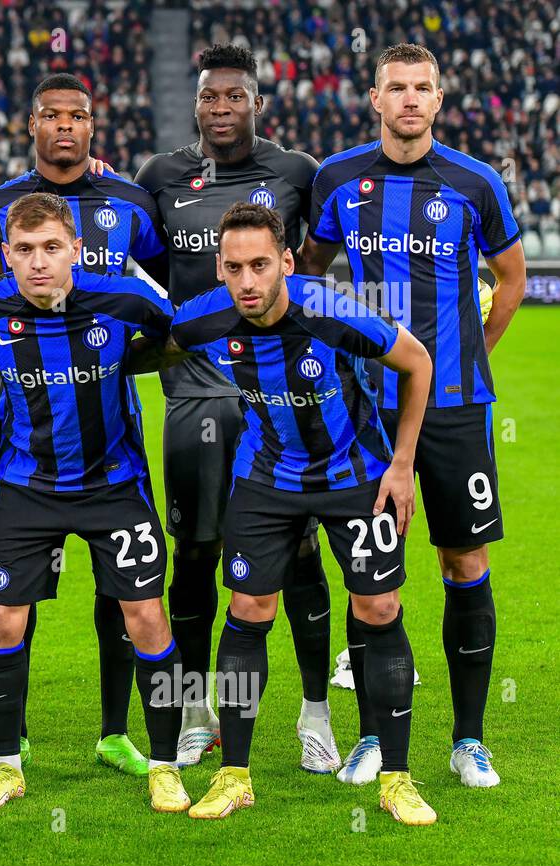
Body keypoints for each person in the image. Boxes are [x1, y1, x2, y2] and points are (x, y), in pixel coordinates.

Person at [160, 202, 436, 824]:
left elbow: (416, 361)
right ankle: (235, 775)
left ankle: (397, 776)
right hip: (265, 478)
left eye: (261, 264)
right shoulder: (205, 317)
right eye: (234, 268)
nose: (248, 281)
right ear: (220, 269)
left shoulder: (332, 311)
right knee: (246, 610)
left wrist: (401, 464)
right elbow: (162, 348)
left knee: (378, 607)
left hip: (353, 475)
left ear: (286, 261)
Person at [0, 192, 189, 813]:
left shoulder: (128, 299)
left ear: (78, 251)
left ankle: (166, 764)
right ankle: (8, 766)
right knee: (1, 619)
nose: (39, 263)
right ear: (6, 256)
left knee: (146, 616)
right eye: (26, 251)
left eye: (52, 249)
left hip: (115, 486)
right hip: (24, 488)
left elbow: (178, 335)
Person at [299, 43, 527, 788]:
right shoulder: (338, 181)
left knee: (464, 562)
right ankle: (370, 738)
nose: (408, 99)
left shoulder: (475, 182)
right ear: (373, 97)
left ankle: (468, 741)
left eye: (421, 87)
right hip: (367, 412)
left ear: (439, 97)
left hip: (457, 410)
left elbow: (512, 277)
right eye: (395, 87)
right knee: (371, 578)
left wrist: (472, 353)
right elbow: (307, 276)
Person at [0, 72, 169, 777]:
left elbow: (175, 308)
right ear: (31, 125)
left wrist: (117, 359)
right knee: (15, 594)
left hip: (113, 434)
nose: (66, 126)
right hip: (25, 434)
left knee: (125, 596)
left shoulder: (131, 201)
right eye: (52, 115)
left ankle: (116, 733)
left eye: (78, 114)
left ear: (93, 123)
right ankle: (9, 747)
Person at [135, 45, 338, 771]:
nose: (221, 108)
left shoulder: (297, 172)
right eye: (209, 97)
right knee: (192, 556)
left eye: (234, 96)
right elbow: (159, 271)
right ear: (195, 103)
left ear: (258, 102)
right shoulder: (160, 176)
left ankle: (315, 714)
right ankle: (197, 711)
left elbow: (312, 261)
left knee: (302, 555)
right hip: (193, 394)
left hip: (278, 395)